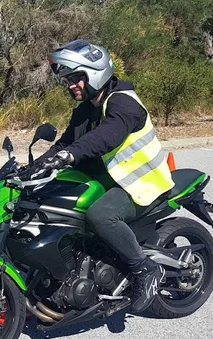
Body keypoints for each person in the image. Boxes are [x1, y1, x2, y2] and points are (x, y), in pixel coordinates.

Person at [37, 40, 176, 313]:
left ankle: (145, 270)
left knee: (101, 216)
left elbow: (106, 136)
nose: (71, 85)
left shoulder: (124, 103)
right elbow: (65, 145)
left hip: (142, 184)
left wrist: (69, 156)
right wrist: (33, 167)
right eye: (68, 80)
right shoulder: (86, 108)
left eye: (76, 78)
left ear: (95, 73)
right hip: (111, 181)